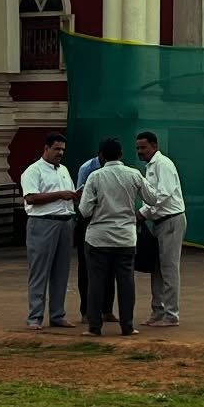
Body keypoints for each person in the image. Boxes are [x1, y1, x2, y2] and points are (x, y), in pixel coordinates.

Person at [77, 138, 146, 335]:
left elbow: (84, 210)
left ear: (101, 155)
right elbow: (152, 197)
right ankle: (127, 326)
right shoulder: (134, 174)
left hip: (98, 237)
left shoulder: (95, 176)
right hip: (125, 236)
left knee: (96, 282)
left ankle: (94, 327)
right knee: (126, 282)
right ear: (121, 154)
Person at [20, 132, 78, 329]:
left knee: (61, 271)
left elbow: (68, 194)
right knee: (39, 271)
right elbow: (31, 198)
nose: (60, 153)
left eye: (62, 149)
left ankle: (57, 314)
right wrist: (60, 195)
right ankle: (35, 317)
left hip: (65, 221)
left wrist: (72, 196)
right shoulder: (33, 171)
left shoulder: (64, 170)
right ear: (46, 148)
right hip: (43, 222)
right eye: (56, 149)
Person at [135, 130, 187, 327]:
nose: (140, 151)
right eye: (138, 148)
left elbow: (163, 194)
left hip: (171, 220)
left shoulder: (163, 164)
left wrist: (143, 213)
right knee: (156, 268)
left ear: (154, 146)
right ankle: (158, 311)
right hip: (158, 222)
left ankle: (171, 315)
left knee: (168, 268)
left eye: (144, 147)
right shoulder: (150, 166)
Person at [74, 148, 100, 324]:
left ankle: (106, 310)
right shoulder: (87, 168)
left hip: (106, 220)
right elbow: (80, 198)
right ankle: (86, 310)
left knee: (109, 267)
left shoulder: (119, 170)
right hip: (88, 219)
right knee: (86, 267)